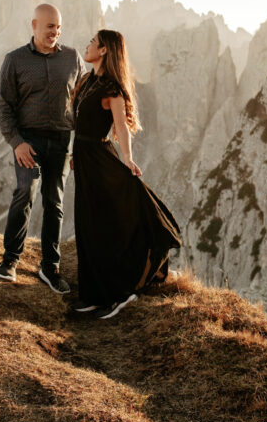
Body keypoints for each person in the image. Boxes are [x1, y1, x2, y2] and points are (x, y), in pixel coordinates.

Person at [68, 29, 182, 319]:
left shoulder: (112, 89)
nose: (87, 44)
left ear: (104, 50)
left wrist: (128, 159)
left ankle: (119, 293)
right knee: (87, 224)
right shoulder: (87, 81)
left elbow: (120, 127)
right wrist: (73, 151)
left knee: (105, 225)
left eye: (92, 42)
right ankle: (93, 295)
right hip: (83, 159)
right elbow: (81, 123)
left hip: (100, 159)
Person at [0, 3, 86, 293]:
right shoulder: (15, 60)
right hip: (28, 141)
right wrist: (17, 143)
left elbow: (83, 103)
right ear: (34, 25)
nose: (55, 33)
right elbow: (3, 106)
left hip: (61, 140)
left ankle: (50, 268)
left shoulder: (72, 58)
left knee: (54, 202)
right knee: (25, 192)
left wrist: (80, 147)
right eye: (49, 27)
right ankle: (10, 260)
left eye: (58, 27)